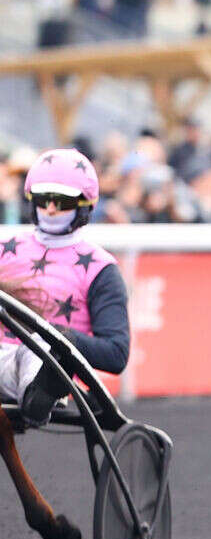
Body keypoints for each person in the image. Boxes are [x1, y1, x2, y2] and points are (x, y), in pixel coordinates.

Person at [0, 149, 131, 445]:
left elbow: (116, 354)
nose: (49, 209)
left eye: (61, 202)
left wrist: (65, 340)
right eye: (42, 200)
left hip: (41, 361)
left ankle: (42, 391)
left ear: (84, 206)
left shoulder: (101, 268)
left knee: (39, 351)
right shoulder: (3, 247)